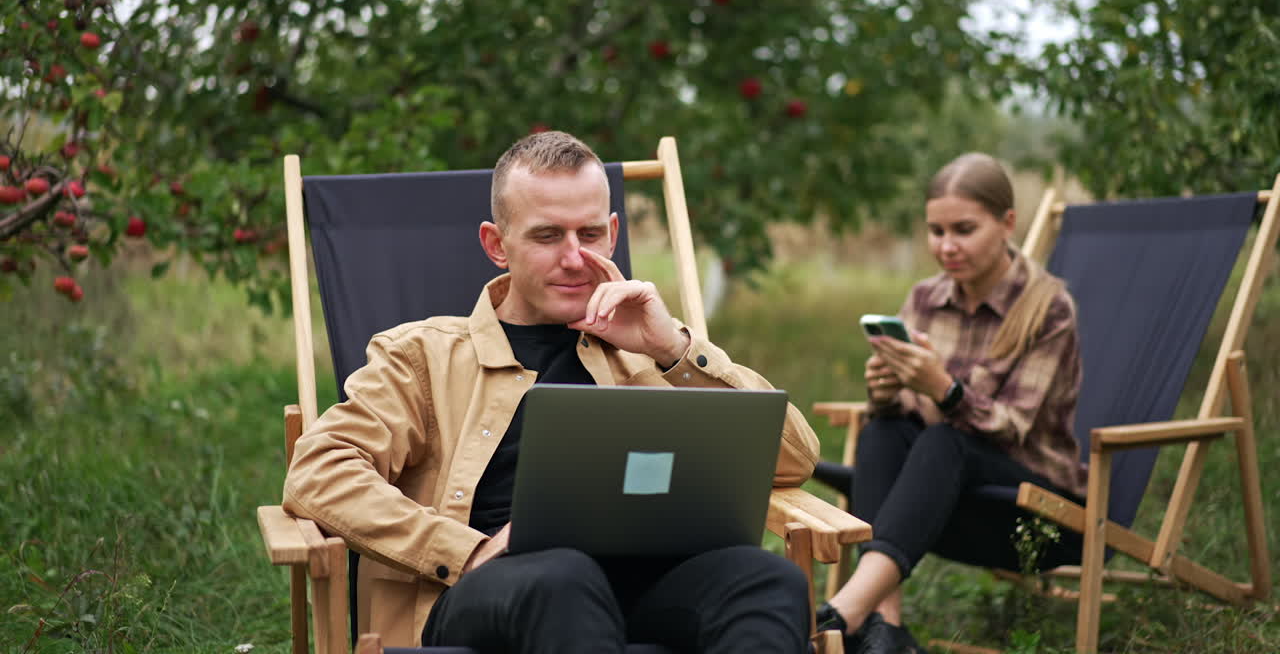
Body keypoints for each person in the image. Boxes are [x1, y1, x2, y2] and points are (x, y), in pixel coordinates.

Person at [282, 131, 820, 653]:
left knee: (767, 580)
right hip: (490, 591)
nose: (573, 258)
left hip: (647, 581)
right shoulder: (423, 356)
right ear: (496, 244)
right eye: (546, 236)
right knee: (565, 577)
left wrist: (674, 349)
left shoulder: (651, 349)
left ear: (612, 234)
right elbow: (320, 471)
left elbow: (794, 459)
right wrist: (464, 551)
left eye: (588, 235)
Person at [812, 153, 1088, 654]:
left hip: (1039, 517)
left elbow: (1013, 428)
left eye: (963, 229)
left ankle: (848, 611)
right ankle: (885, 628)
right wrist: (887, 391)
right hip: (948, 503)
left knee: (946, 440)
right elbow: (901, 420)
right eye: (935, 231)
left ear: (1008, 223)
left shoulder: (1048, 308)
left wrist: (943, 388)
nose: (946, 246)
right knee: (883, 431)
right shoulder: (924, 299)